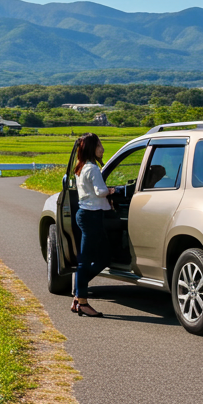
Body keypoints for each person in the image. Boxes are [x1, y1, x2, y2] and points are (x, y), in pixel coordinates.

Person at [72, 132, 115, 317]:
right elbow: (99, 192)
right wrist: (111, 190)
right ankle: (82, 301)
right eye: (99, 145)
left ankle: (78, 293)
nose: (102, 148)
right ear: (91, 148)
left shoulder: (81, 168)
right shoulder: (93, 169)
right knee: (89, 260)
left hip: (84, 214)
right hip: (91, 217)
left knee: (93, 258)